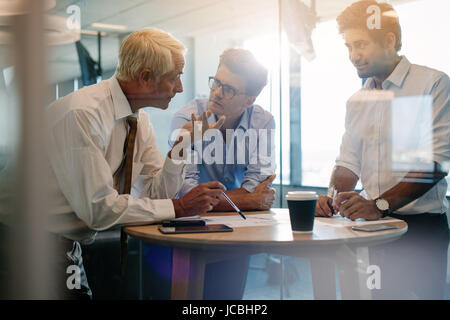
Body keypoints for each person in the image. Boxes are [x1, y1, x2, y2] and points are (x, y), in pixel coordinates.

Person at [42, 28, 226, 299]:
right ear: (146, 77)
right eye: (175, 77)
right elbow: (99, 209)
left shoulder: (138, 121)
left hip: (67, 245)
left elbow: (157, 194)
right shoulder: (82, 114)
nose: (180, 87)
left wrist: (181, 147)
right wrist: (181, 206)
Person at [315, 0, 449, 299]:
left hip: (421, 231)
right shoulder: (356, 101)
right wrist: (333, 199)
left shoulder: (433, 84)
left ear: (389, 40)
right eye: (348, 46)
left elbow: (436, 164)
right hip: (372, 229)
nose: (353, 56)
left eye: (360, 44)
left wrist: (378, 205)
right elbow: (347, 163)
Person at [145, 48, 276, 300]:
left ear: (249, 99)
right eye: (216, 82)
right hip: (189, 228)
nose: (216, 92)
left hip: (239, 228)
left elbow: (260, 185)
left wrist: (243, 199)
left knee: (229, 297)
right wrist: (247, 200)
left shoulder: (263, 122)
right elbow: (185, 192)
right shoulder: (188, 118)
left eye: (229, 89)